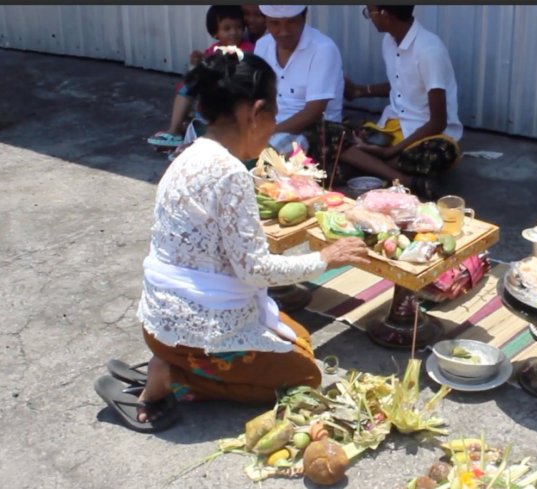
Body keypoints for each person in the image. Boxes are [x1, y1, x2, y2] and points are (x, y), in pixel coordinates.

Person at [96, 49, 370, 433]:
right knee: (306, 376)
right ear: (255, 112)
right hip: (192, 328)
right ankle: (172, 376)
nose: (274, 127)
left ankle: (177, 359)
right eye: (273, 116)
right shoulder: (229, 173)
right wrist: (326, 257)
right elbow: (255, 269)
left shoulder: (189, 153)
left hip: (162, 317)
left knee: (303, 341)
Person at [340, 5, 463, 200]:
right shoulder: (389, 42)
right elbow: (402, 86)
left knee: (440, 155)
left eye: (368, 12)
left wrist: (390, 151)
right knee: (336, 137)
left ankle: (369, 161)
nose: (369, 17)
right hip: (393, 127)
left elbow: (438, 122)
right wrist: (361, 91)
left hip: (429, 135)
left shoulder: (429, 50)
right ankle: (407, 180)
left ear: (385, 15)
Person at [147, 5, 256, 150]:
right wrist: (196, 64)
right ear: (215, 33)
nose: (234, 32)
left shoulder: (248, 48)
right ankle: (174, 131)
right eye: (227, 28)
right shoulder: (212, 51)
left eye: (238, 27)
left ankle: (191, 138)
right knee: (187, 86)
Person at [252, 5, 345, 161]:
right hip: (271, 127)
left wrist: (270, 131)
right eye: (275, 23)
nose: (284, 31)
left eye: (291, 22)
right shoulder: (262, 45)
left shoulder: (323, 49)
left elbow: (314, 112)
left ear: (304, 17)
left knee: (264, 153)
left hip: (314, 133)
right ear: (266, 22)